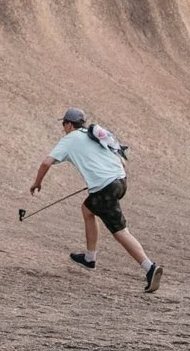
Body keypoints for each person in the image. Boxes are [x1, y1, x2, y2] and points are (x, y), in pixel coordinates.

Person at [33, 109, 163, 292]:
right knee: (87, 209)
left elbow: (46, 162)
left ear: (69, 124)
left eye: (64, 124)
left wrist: (37, 183)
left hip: (105, 188)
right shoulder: (93, 135)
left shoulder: (69, 140)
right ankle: (89, 258)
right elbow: (121, 161)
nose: (63, 128)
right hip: (120, 181)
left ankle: (149, 267)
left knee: (120, 232)